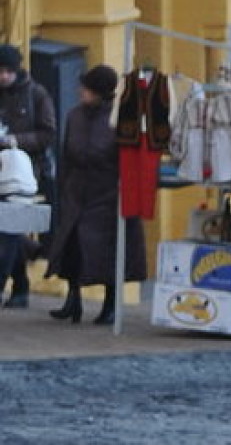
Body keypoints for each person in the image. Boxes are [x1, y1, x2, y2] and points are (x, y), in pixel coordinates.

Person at [45, 65, 147, 325]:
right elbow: (67, 153)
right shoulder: (74, 116)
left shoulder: (119, 120)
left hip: (108, 195)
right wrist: (64, 188)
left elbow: (128, 161)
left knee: (108, 251)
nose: (81, 91)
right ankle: (73, 300)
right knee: (72, 247)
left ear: (101, 93)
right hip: (77, 191)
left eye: (87, 88)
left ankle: (110, 304)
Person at [0, 42, 56, 309]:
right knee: (7, 231)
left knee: (9, 232)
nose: (3, 77)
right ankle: (21, 282)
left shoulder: (36, 94)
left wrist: (14, 140)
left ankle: (11, 285)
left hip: (24, 176)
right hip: (2, 173)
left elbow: (47, 134)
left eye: (7, 71)